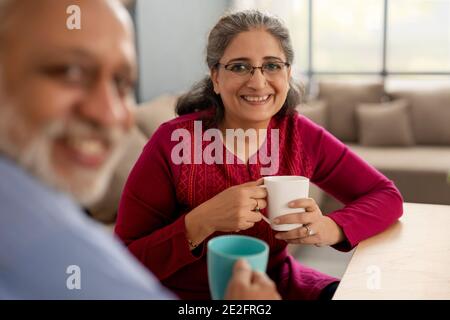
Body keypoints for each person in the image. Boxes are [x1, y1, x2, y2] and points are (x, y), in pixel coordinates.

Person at [115, 10, 404, 300]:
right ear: (216, 77)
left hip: (278, 284)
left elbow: (385, 195)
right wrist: (201, 221)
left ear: (288, 74)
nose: (258, 82)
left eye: (272, 66)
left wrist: (330, 227)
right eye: (240, 67)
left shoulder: (301, 135)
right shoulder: (172, 142)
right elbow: (119, 261)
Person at [0, 0, 279, 300]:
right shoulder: (44, 236)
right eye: (71, 71)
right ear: (215, 77)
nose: (110, 114)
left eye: (122, 83)